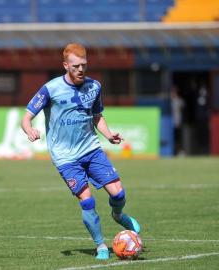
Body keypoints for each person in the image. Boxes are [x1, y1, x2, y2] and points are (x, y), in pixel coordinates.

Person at [21, 43, 140, 260]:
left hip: (91, 149)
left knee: (119, 193)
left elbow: (97, 116)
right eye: (75, 66)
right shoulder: (51, 89)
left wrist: (108, 134)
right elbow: (26, 117)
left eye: (84, 65)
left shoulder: (94, 87)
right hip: (65, 157)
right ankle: (101, 246)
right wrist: (30, 130)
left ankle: (118, 214)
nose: (80, 70)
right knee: (87, 201)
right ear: (65, 65)